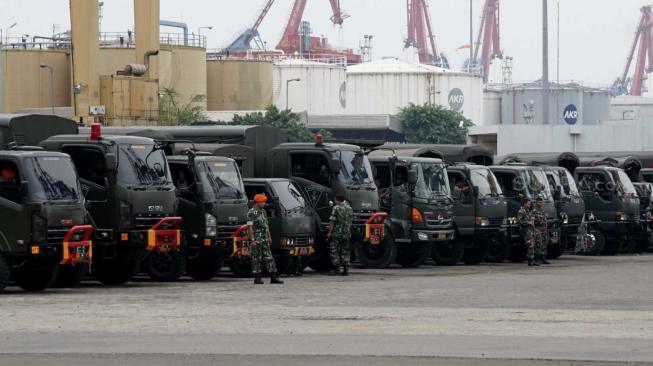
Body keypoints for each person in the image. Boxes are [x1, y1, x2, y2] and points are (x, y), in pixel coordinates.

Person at [247, 194, 283, 285]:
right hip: (256, 239)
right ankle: (257, 277)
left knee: (269, 258)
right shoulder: (251, 212)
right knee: (256, 258)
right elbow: (249, 227)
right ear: (257, 202)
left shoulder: (263, 212)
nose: (264, 203)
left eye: (264, 201)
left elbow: (266, 225)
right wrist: (252, 240)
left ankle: (273, 277)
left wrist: (269, 237)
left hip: (265, 239)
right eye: (262, 201)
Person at [327, 194, 354, 276]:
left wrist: (329, 232)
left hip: (337, 233)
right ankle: (346, 270)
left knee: (334, 250)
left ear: (337, 199)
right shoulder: (350, 208)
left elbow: (332, 221)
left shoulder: (336, 208)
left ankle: (336, 269)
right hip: (347, 233)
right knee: (345, 250)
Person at [517, 198, 538, 267]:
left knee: (532, 244)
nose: (529, 205)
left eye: (530, 204)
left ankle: (532, 259)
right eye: (528, 204)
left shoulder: (528, 211)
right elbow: (519, 221)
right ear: (524, 204)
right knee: (530, 244)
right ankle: (530, 260)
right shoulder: (521, 211)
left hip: (530, 229)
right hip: (525, 230)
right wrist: (527, 222)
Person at [532, 196, 550, 264]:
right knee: (538, 244)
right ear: (536, 203)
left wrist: (546, 227)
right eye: (539, 202)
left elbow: (545, 219)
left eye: (541, 202)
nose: (541, 203)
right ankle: (537, 258)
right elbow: (533, 220)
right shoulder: (534, 210)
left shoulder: (542, 210)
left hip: (543, 229)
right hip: (537, 228)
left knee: (544, 243)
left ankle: (543, 258)